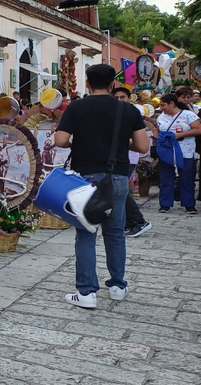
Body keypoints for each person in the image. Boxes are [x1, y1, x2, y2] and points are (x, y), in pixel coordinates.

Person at [55, 64, 148, 309]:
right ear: (112, 85)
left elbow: (60, 140)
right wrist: (118, 142)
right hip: (116, 176)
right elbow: (142, 146)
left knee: (86, 233)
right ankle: (117, 286)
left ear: (87, 83)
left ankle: (86, 292)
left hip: (85, 178)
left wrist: (80, 139)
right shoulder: (127, 109)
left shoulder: (76, 107)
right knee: (116, 232)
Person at [112, 87, 152, 237]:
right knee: (119, 190)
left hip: (129, 156)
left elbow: (141, 141)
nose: (119, 100)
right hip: (116, 157)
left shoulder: (133, 113)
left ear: (129, 98)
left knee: (121, 191)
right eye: (116, 97)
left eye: (122, 97)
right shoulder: (112, 112)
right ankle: (130, 222)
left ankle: (137, 221)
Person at [156, 94, 201, 214]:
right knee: (166, 178)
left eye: (163, 105)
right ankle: (165, 204)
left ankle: (189, 204)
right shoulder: (161, 117)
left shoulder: (188, 115)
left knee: (186, 178)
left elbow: (198, 129)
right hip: (167, 151)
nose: (161, 108)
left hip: (185, 151)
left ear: (171, 103)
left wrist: (180, 135)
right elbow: (159, 131)